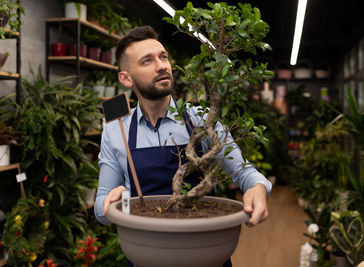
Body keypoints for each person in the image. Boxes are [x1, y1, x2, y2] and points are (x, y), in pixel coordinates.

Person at [94, 25, 272, 266]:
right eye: (147, 61)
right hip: (146, 254)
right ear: (126, 78)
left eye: (163, 57)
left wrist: (257, 188)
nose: (162, 66)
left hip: (205, 252)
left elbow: (244, 172)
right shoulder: (116, 131)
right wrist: (117, 202)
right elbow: (102, 205)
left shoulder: (201, 118)